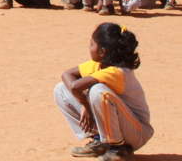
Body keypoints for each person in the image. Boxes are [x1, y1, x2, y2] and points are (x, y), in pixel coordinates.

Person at [53, 22, 153, 160]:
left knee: (98, 91)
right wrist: (84, 104)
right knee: (61, 90)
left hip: (137, 132)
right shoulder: (99, 64)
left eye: (92, 44)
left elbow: (76, 86)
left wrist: (85, 104)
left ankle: (117, 148)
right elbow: (67, 75)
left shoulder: (117, 72)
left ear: (102, 52)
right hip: (123, 127)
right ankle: (99, 139)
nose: (89, 47)